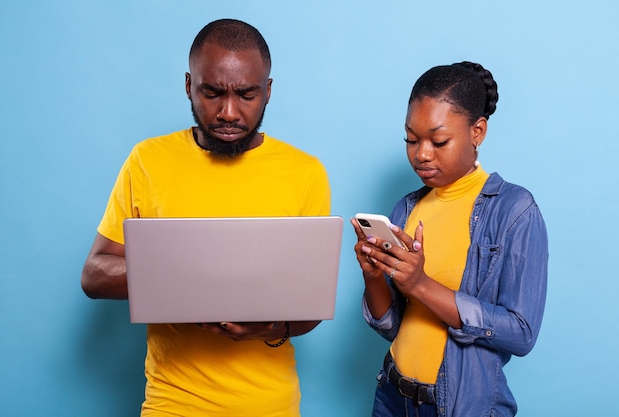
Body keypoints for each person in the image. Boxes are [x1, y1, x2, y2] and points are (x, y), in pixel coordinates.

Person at [81, 19, 331, 417]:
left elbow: (311, 307)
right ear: (188, 86)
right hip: (172, 404)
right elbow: (94, 275)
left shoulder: (306, 173)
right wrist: (187, 280)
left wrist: (268, 328)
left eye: (247, 95)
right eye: (212, 93)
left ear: (267, 91)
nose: (228, 112)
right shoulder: (148, 160)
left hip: (269, 405)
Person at [351, 61, 548, 417]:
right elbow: (392, 325)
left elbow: (521, 332)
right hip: (391, 398)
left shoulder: (514, 211)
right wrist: (372, 275)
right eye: (411, 139)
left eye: (438, 140)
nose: (422, 153)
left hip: (460, 406)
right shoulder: (407, 208)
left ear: (478, 131)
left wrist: (421, 284)